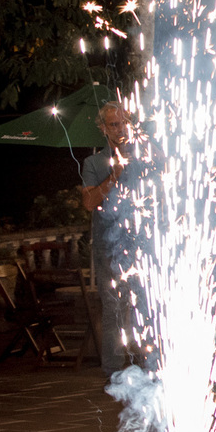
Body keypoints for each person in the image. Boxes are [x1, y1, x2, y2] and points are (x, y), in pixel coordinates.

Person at [81, 102, 130, 378]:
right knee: (113, 306)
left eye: (124, 123)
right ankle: (113, 370)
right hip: (109, 246)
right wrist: (114, 177)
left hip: (141, 244)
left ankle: (149, 364)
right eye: (114, 124)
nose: (120, 129)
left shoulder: (145, 156)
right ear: (103, 128)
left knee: (146, 303)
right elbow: (89, 202)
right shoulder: (93, 163)